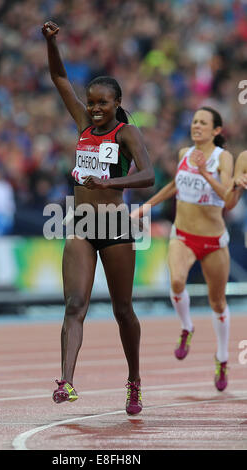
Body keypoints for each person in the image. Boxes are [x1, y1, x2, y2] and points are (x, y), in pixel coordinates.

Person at [42, 21, 154, 415]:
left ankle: (134, 381)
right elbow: (58, 77)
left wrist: (109, 183)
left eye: (102, 102)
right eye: (91, 101)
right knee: (74, 304)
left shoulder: (126, 133)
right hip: (81, 226)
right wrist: (51, 42)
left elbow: (148, 175)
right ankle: (66, 382)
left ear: (116, 102)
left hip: (116, 227)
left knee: (123, 310)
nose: (94, 107)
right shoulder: (82, 126)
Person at [131, 107, 234, 391]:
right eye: (194, 121)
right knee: (176, 281)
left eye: (203, 122)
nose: (196, 125)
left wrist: (205, 173)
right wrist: (145, 208)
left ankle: (223, 358)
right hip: (183, 235)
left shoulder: (223, 158)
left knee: (218, 303)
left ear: (216, 130)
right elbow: (175, 186)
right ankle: (187, 327)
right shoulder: (184, 153)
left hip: (213, 241)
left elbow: (228, 196)